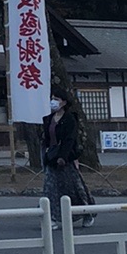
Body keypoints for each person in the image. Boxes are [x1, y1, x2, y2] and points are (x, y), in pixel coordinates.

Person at [42, 88, 96, 228]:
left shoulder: (70, 119)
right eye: (52, 98)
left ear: (64, 102)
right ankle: (52, 217)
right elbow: (47, 139)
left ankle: (87, 213)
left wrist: (63, 157)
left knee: (74, 189)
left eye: (57, 99)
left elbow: (69, 140)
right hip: (51, 158)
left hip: (65, 159)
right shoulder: (48, 118)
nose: (53, 102)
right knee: (50, 189)